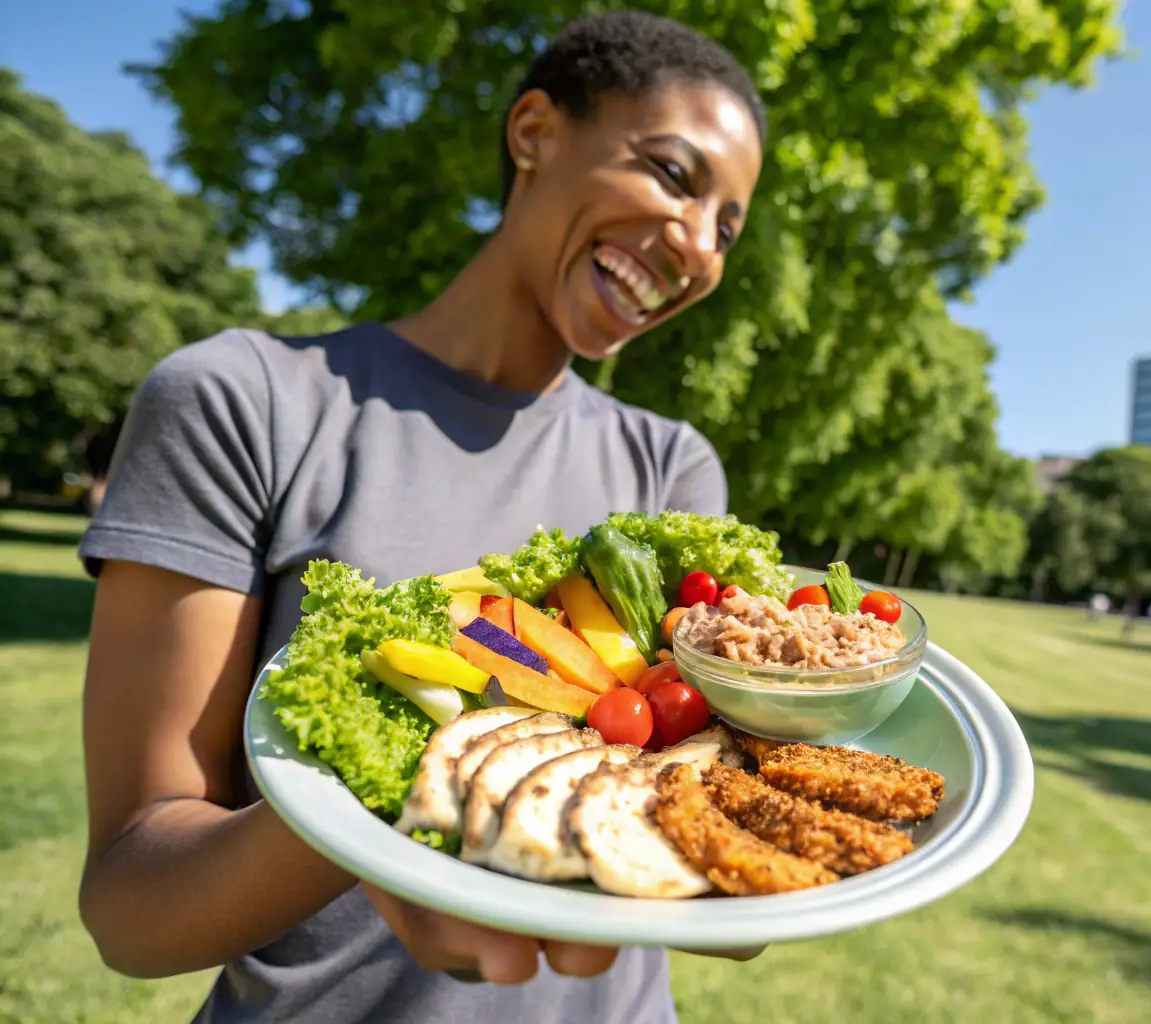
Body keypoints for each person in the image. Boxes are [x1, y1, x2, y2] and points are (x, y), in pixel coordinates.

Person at [76, 10, 766, 1023]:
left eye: (727, 228)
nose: (698, 247)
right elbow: (134, 905)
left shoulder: (670, 470)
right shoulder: (245, 402)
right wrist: (384, 816)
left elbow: (709, 820)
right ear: (533, 132)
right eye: (674, 175)